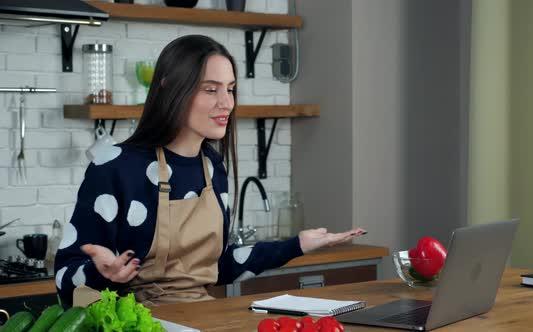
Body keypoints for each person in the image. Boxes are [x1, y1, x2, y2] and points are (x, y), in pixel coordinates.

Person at [54, 35, 365, 307]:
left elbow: (219, 266)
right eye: (210, 89)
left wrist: (298, 245)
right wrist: (99, 274)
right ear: (169, 88)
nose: (226, 103)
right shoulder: (116, 166)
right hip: (137, 322)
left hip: (200, 316)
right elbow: (65, 276)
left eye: (230, 89)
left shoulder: (212, 167)